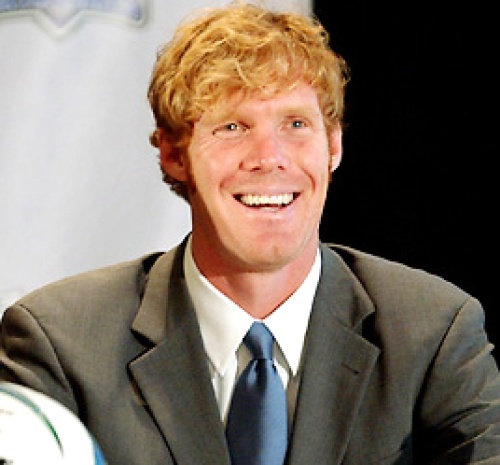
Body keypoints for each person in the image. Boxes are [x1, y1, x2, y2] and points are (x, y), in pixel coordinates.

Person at [1, 1, 500, 464]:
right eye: (233, 128)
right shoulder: (61, 343)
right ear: (174, 155)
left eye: (295, 124)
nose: (269, 158)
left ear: (333, 147)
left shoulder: (433, 333)